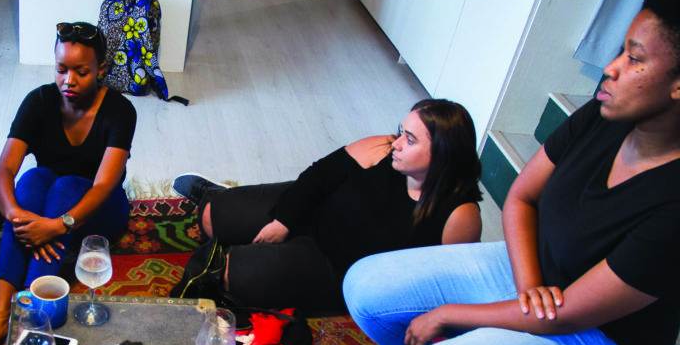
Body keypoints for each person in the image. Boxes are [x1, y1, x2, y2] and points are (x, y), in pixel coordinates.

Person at [261, 0, 680, 345]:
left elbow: (570, 314)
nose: (610, 68)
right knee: (365, 284)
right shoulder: (603, 118)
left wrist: (450, 314)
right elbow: (521, 198)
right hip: (529, 276)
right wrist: (528, 281)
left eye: (634, 58)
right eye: (618, 50)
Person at [171, 98, 483, 314]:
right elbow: (317, 177)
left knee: (231, 275)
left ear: (442, 153)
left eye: (410, 140)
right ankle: (217, 196)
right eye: (401, 131)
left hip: (334, 267)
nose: (397, 142)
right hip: (312, 211)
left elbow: (439, 285)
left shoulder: (459, 215)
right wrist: (284, 221)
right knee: (212, 216)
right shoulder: (382, 147)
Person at [0, 22, 137, 345]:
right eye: (61, 69)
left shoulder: (120, 110)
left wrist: (57, 226)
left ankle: (26, 323)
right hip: (47, 206)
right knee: (31, 180)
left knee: (67, 186)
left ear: (101, 70)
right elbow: (5, 169)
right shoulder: (39, 101)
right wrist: (15, 216)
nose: (68, 80)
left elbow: (103, 185)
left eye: (81, 71)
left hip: (99, 210)